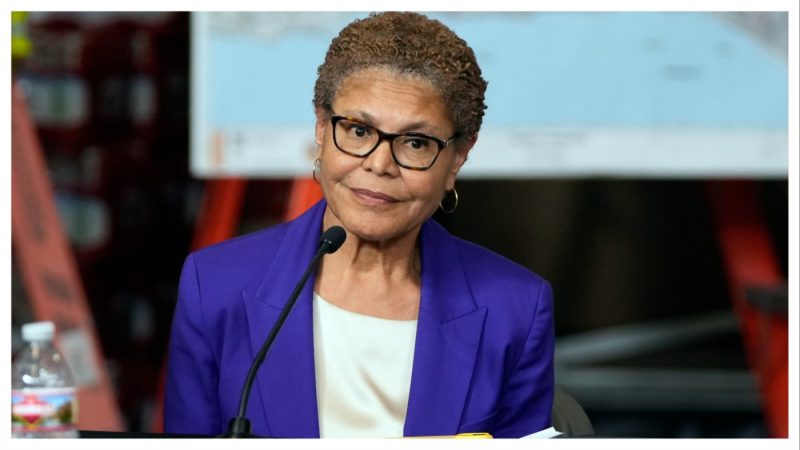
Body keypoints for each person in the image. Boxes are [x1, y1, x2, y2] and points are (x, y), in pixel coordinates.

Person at [165, 12, 554, 438]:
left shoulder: (515, 309)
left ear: (458, 157)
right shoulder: (214, 286)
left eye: (416, 142)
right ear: (320, 126)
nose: (380, 164)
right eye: (358, 131)